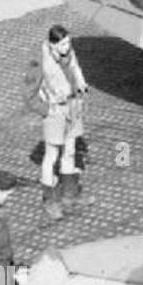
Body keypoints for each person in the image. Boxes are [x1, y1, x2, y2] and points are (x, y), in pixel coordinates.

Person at [38, 25, 89, 221]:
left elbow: (75, 68)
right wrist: (46, 109)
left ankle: (69, 195)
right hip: (55, 110)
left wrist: (81, 84)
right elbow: (31, 93)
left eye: (69, 42)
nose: (67, 47)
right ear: (52, 45)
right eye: (63, 44)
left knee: (70, 150)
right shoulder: (42, 62)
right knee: (52, 154)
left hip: (72, 105)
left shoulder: (68, 53)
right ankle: (50, 201)